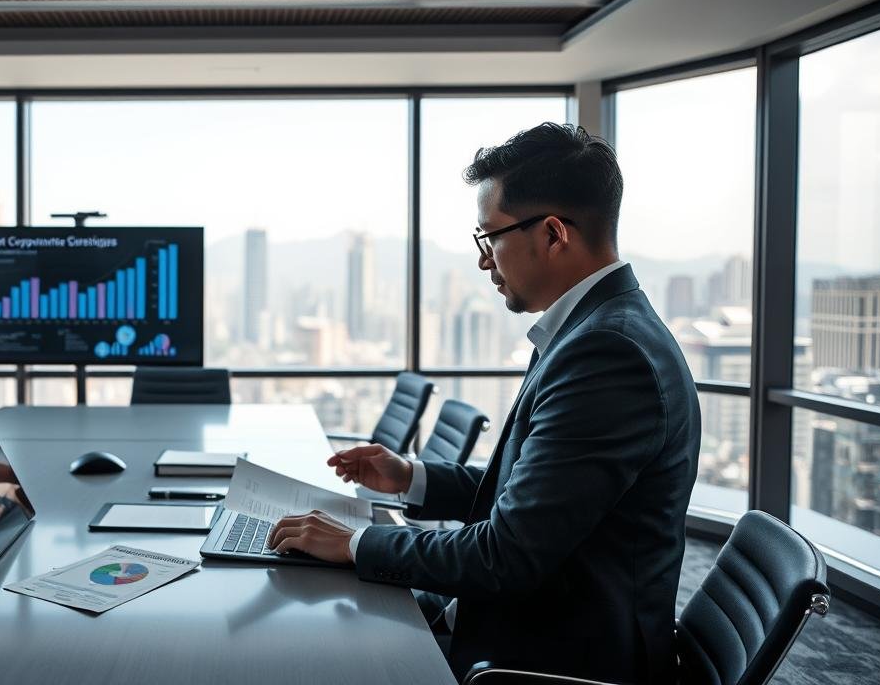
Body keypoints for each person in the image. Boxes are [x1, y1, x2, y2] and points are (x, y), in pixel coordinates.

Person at [266, 123, 700, 684]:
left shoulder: (607, 352)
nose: (483, 261)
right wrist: (411, 478)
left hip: (547, 659)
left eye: (488, 238)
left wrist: (355, 542)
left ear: (551, 234)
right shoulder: (595, 330)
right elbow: (537, 497)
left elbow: (507, 555)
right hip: (519, 625)